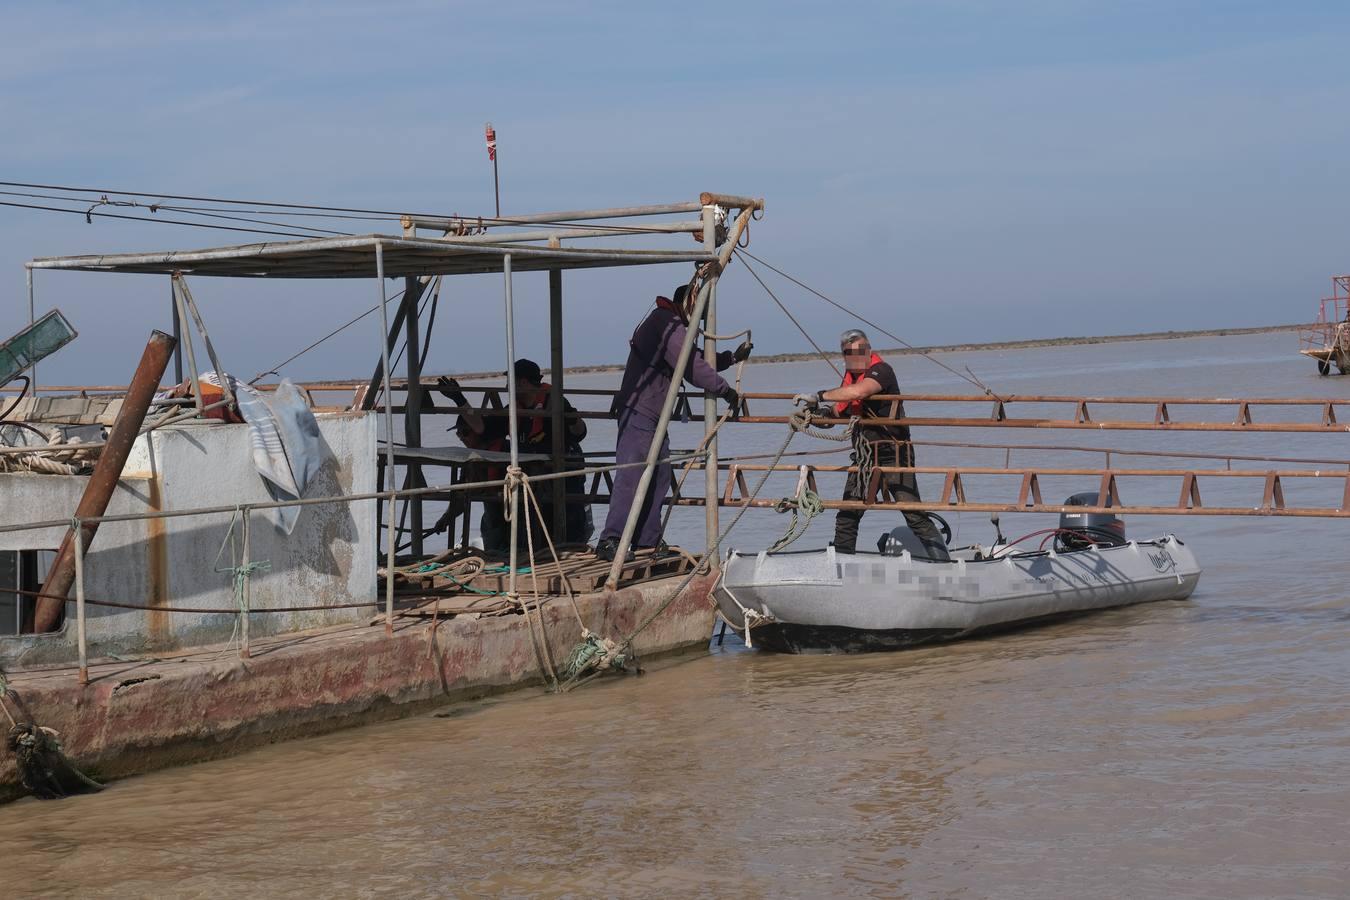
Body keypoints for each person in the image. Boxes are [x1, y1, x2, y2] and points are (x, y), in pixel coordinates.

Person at [596, 284, 752, 561]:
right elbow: (689, 365)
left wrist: (730, 358)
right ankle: (611, 539)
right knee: (631, 476)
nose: (700, 322)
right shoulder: (666, 323)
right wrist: (725, 390)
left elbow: (694, 358)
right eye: (699, 313)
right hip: (640, 411)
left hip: (653, 414)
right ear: (688, 303)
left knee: (659, 477)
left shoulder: (671, 325)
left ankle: (647, 540)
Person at [794, 328, 945, 556]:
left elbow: (860, 392)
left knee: (913, 514)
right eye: (850, 353)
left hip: (893, 454)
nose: (857, 356)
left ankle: (945, 564)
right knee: (847, 514)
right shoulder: (848, 384)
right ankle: (841, 565)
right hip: (864, 458)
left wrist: (821, 395)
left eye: (862, 350)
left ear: (869, 350)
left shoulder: (881, 371)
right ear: (844, 356)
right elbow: (836, 415)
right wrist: (812, 415)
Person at [509, 358, 592, 544]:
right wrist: (461, 401)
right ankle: (541, 553)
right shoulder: (515, 407)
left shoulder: (554, 401)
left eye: (510, 381)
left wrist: (571, 416)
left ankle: (572, 549)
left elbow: (580, 432)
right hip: (535, 476)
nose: (507, 386)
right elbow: (487, 429)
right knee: (537, 524)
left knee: (570, 521)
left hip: (565, 473)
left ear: (522, 382)